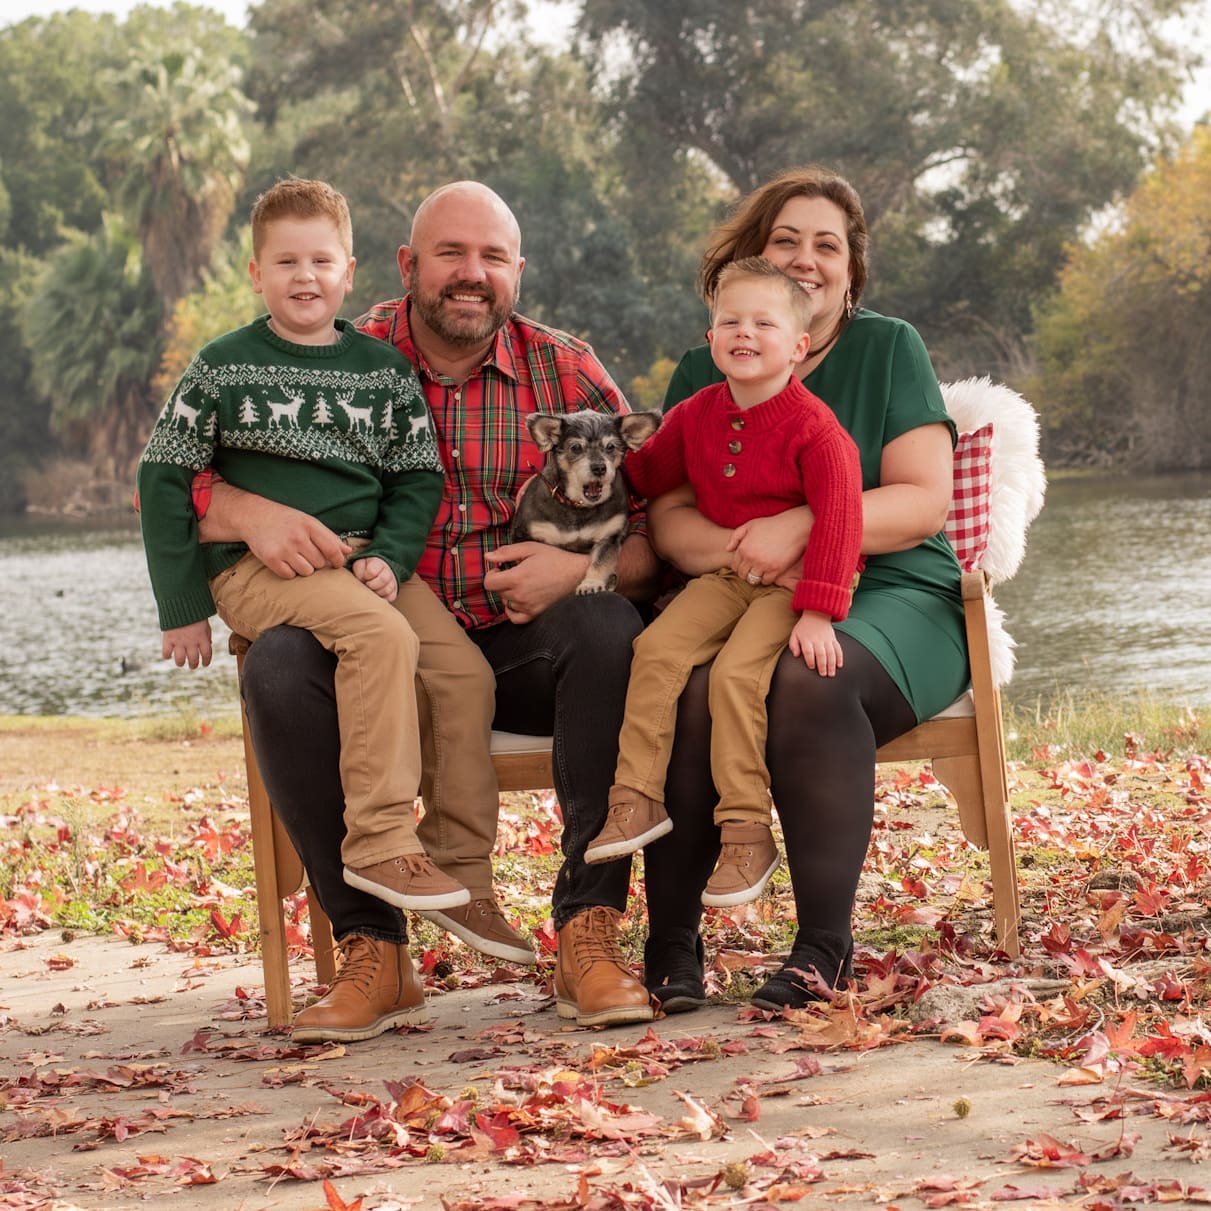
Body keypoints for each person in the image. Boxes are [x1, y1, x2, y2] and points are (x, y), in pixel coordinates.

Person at [195, 181, 663, 1040]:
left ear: (518, 270)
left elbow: (657, 532)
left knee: (606, 626)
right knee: (278, 664)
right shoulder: (337, 356)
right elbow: (191, 475)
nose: (471, 273)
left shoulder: (564, 370)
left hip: (522, 645)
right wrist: (246, 511)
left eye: (492, 257)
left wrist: (580, 568)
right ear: (408, 264)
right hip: (381, 649)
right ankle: (373, 948)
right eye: (451, 253)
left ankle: (587, 933)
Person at [639, 166, 967, 1014]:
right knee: (689, 685)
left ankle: (823, 946)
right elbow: (667, 515)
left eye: (827, 245)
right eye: (785, 239)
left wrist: (802, 525)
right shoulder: (706, 365)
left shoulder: (887, 348)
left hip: (894, 587)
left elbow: (922, 501)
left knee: (807, 675)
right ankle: (671, 940)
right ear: (752, 254)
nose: (805, 258)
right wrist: (748, 549)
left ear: (850, 272)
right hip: (742, 582)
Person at [137, 179, 480, 951]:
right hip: (257, 570)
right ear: (255, 273)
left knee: (462, 673)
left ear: (348, 271)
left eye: (320, 261)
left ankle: (463, 869)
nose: (304, 277)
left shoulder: (381, 371)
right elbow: (162, 476)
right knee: (381, 637)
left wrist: (391, 556)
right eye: (285, 262)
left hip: (360, 561)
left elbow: (416, 478)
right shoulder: (223, 367)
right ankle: (381, 840)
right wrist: (182, 606)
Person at [584, 258, 864, 912]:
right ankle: (635, 798)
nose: (744, 332)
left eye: (763, 323)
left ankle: (745, 830)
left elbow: (841, 516)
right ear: (710, 337)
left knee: (736, 675)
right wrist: (590, 467)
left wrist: (818, 612)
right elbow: (646, 472)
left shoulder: (816, 430)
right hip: (728, 573)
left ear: (797, 346)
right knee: (656, 649)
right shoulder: (697, 413)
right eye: (730, 321)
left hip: (796, 583)